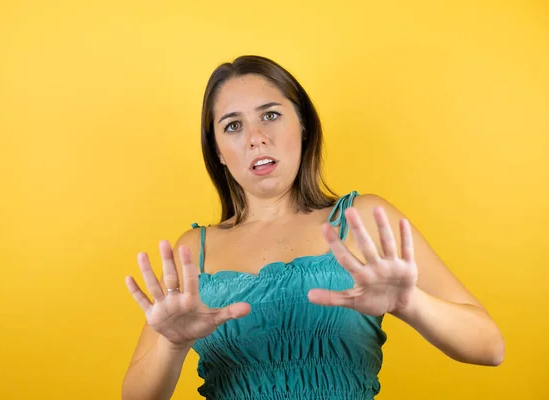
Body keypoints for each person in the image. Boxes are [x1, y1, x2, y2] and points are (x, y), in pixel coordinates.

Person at [121, 55, 504, 400]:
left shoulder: (363, 219)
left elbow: (490, 347)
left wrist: (411, 304)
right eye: (233, 126)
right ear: (218, 150)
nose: (256, 138)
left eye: (270, 115)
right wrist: (172, 346)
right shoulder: (193, 250)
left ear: (303, 124)